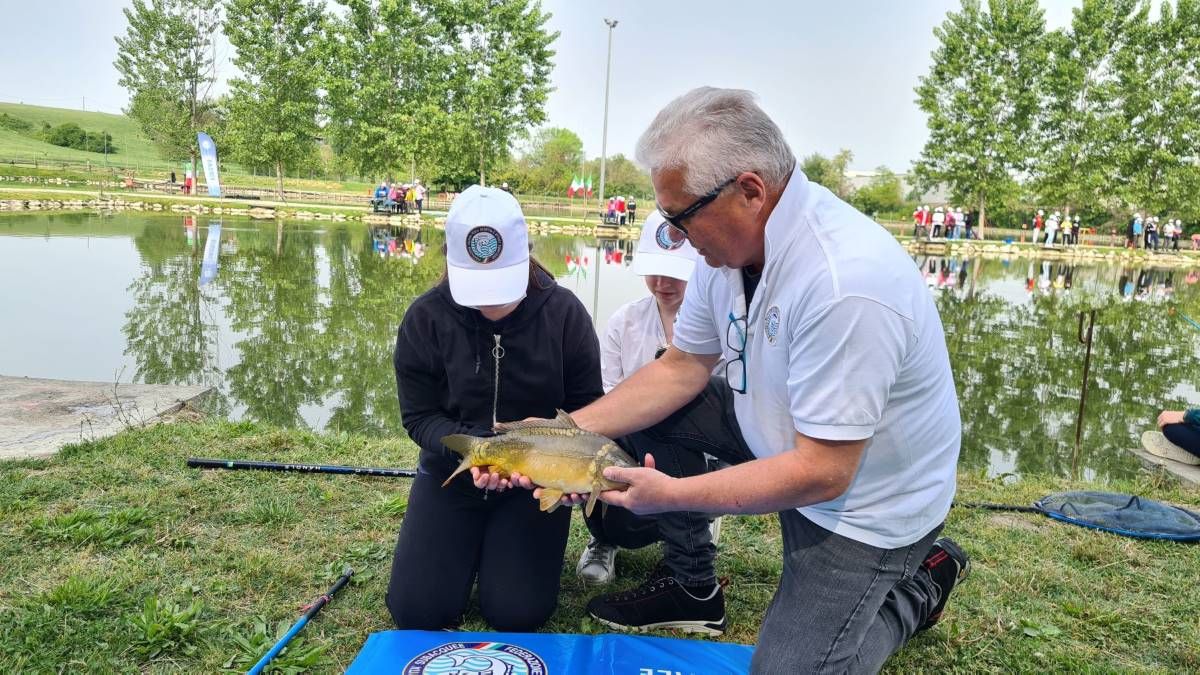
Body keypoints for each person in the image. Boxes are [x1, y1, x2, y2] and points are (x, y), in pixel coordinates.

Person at [526, 87, 967, 672]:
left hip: (864, 501)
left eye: (680, 218)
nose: (676, 238)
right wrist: (562, 432)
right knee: (658, 415)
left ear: (750, 192)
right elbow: (681, 369)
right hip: (777, 428)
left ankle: (917, 587)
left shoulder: (847, 283)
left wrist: (673, 497)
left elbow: (823, 471)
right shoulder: (729, 254)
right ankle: (692, 588)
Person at [385, 185, 603, 632]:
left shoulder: (566, 315)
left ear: (527, 254)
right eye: (475, 289)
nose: (489, 304)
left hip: (533, 482)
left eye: (500, 286)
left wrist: (571, 467)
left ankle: (506, 557)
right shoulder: (424, 318)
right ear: (448, 258)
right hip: (453, 474)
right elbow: (419, 417)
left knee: (517, 613)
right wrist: (468, 451)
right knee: (417, 611)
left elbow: (588, 411)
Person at [577, 212, 702, 585]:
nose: (663, 283)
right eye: (654, 270)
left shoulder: (720, 324)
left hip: (694, 443)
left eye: (675, 271)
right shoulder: (622, 322)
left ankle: (695, 531)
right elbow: (609, 402)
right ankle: (604, 537)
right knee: (595, 459)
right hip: (632, 440)